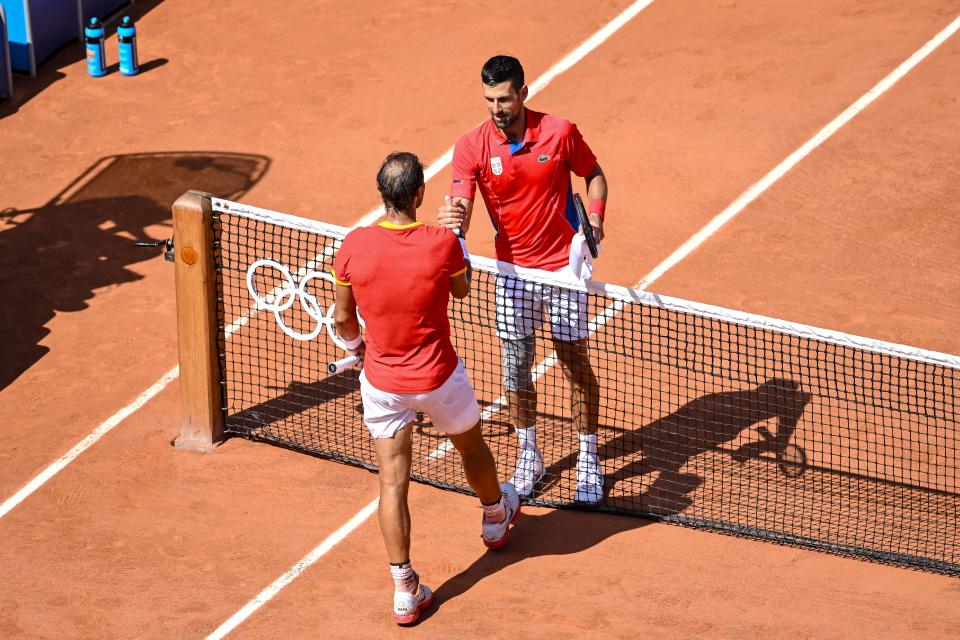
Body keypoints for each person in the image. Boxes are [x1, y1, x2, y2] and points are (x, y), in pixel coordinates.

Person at [333, 152, 520, 626]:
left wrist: (356, 348)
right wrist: (456, 234)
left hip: (383, 384)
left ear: (383, 195)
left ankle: (403, 588)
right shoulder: (441, 244)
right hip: (439, 378)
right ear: (419, 194)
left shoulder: (353, 245)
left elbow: (342, 318)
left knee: (392, 482)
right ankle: (496, 518)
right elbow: (461, 290)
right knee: (472, 447)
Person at [437, 55, 609, 504]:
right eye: (490, 99)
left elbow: (594, 174)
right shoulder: (471, 146)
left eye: (505, 98)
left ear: (523, 94)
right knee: (516, 368)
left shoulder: (559, 131)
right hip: (512, 273)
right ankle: (529, 453)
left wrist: (596, 219)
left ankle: (588, 456)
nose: (497, 108)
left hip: (563, 270)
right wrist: (455, 222)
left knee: (573, 363)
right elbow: (462, 202)